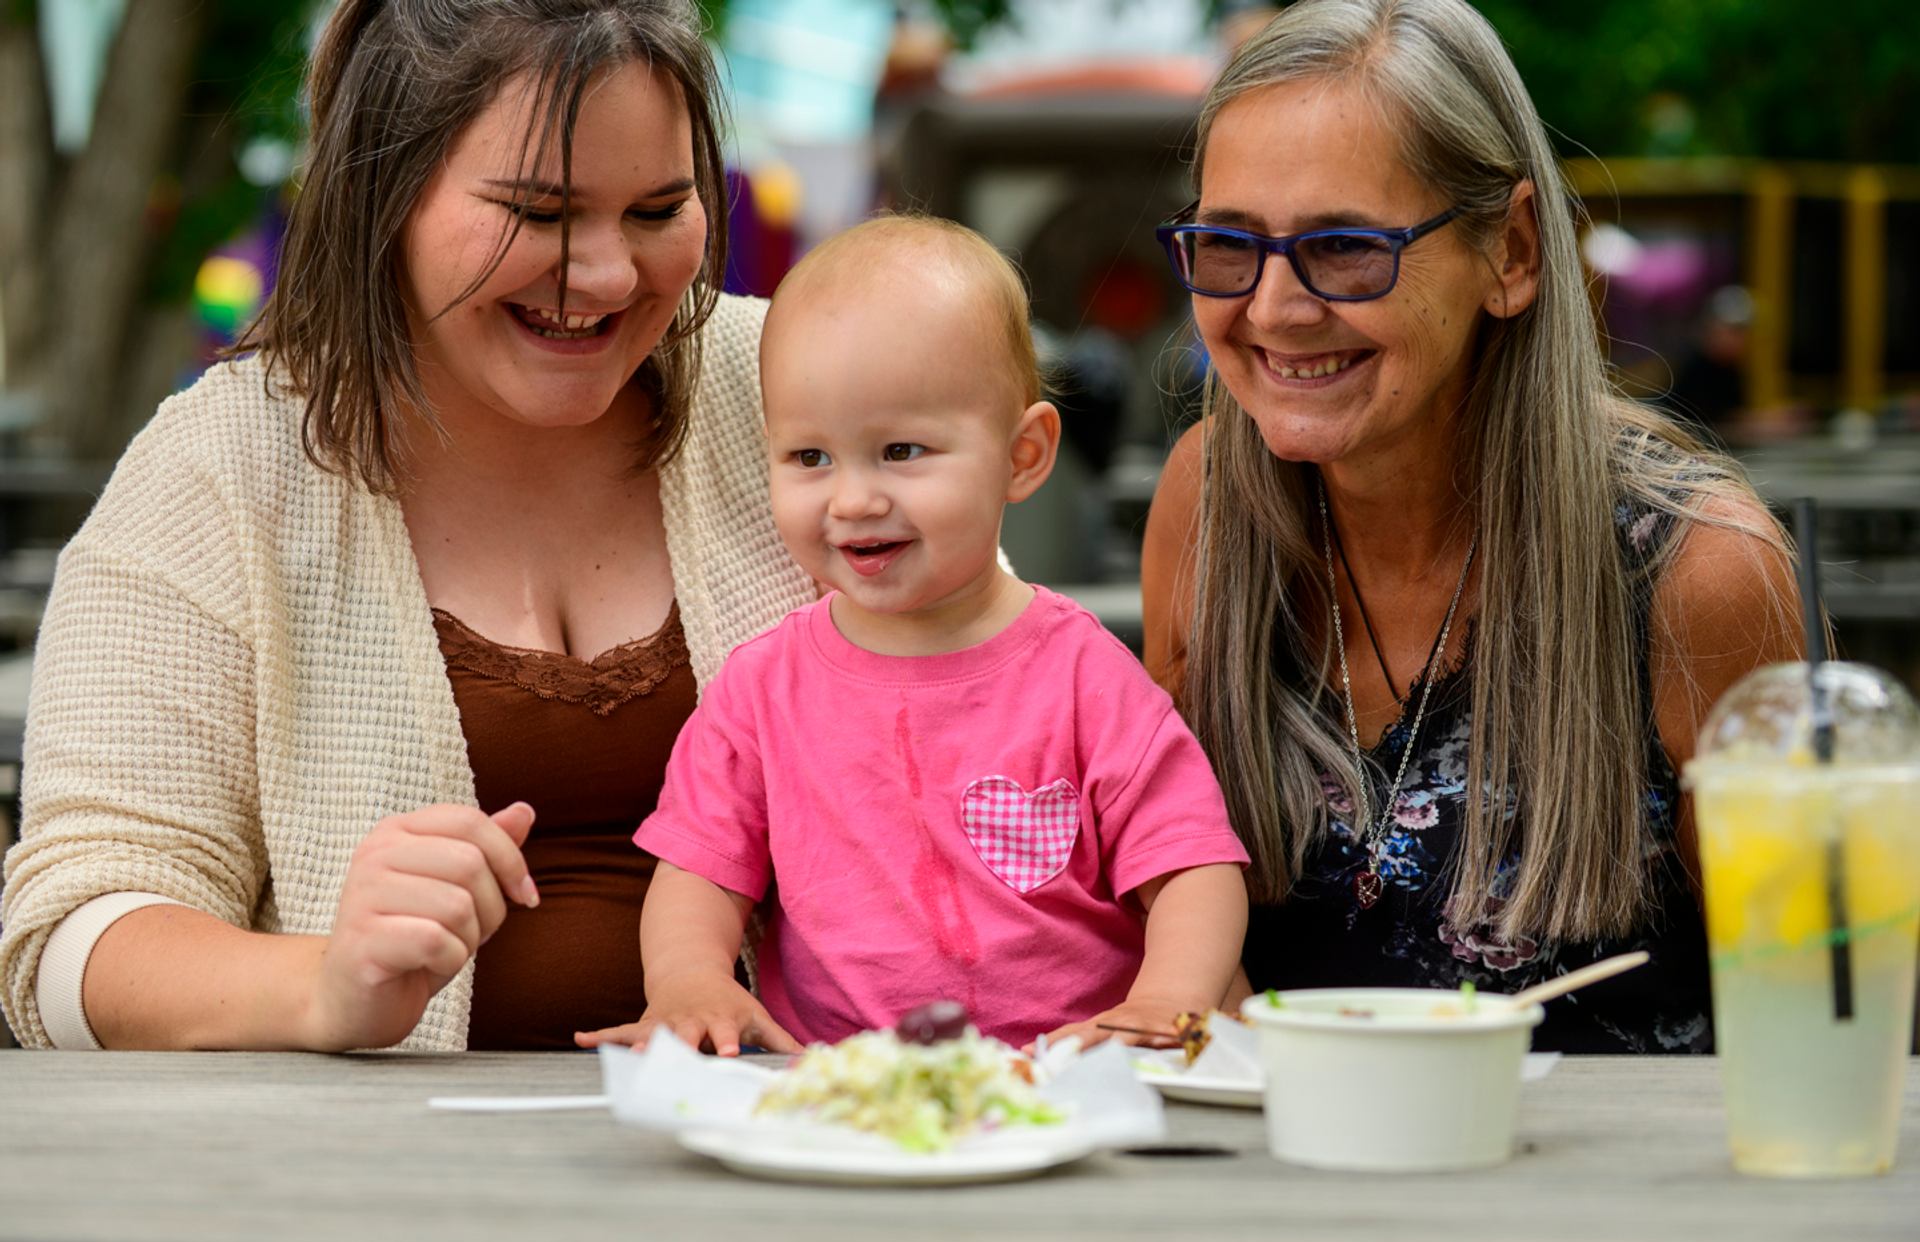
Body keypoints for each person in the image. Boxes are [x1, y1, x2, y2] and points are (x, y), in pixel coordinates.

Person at [0, 0, 818, 1052]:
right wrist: (323, 985)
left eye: (660, 210)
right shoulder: (218, 472)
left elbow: (1020, 709)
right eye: (540, 211)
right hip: (371, 1196)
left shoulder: (800, 386)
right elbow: (66, 942)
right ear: (382, 189)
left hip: (812, 1160)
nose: (610, 274)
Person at [1140, 0, 1802, 1053]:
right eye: (1229, 244)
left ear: (1514, 252)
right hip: (1264, 1188)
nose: (1270, 308)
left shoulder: (1697, 569)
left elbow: (1809, 1003)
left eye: (1345, 247)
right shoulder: (1212, 502)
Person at [576, 216, 1250, 1055]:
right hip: (842, 1093)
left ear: (1024, 455)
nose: (853, 498)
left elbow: (1191, 865)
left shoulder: (1083, 674)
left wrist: (1168, 1001)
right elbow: (699, 870)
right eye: (810, 457)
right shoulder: (760, 690)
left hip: (1071, 1081)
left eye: (901, 450)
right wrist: (690, 981)